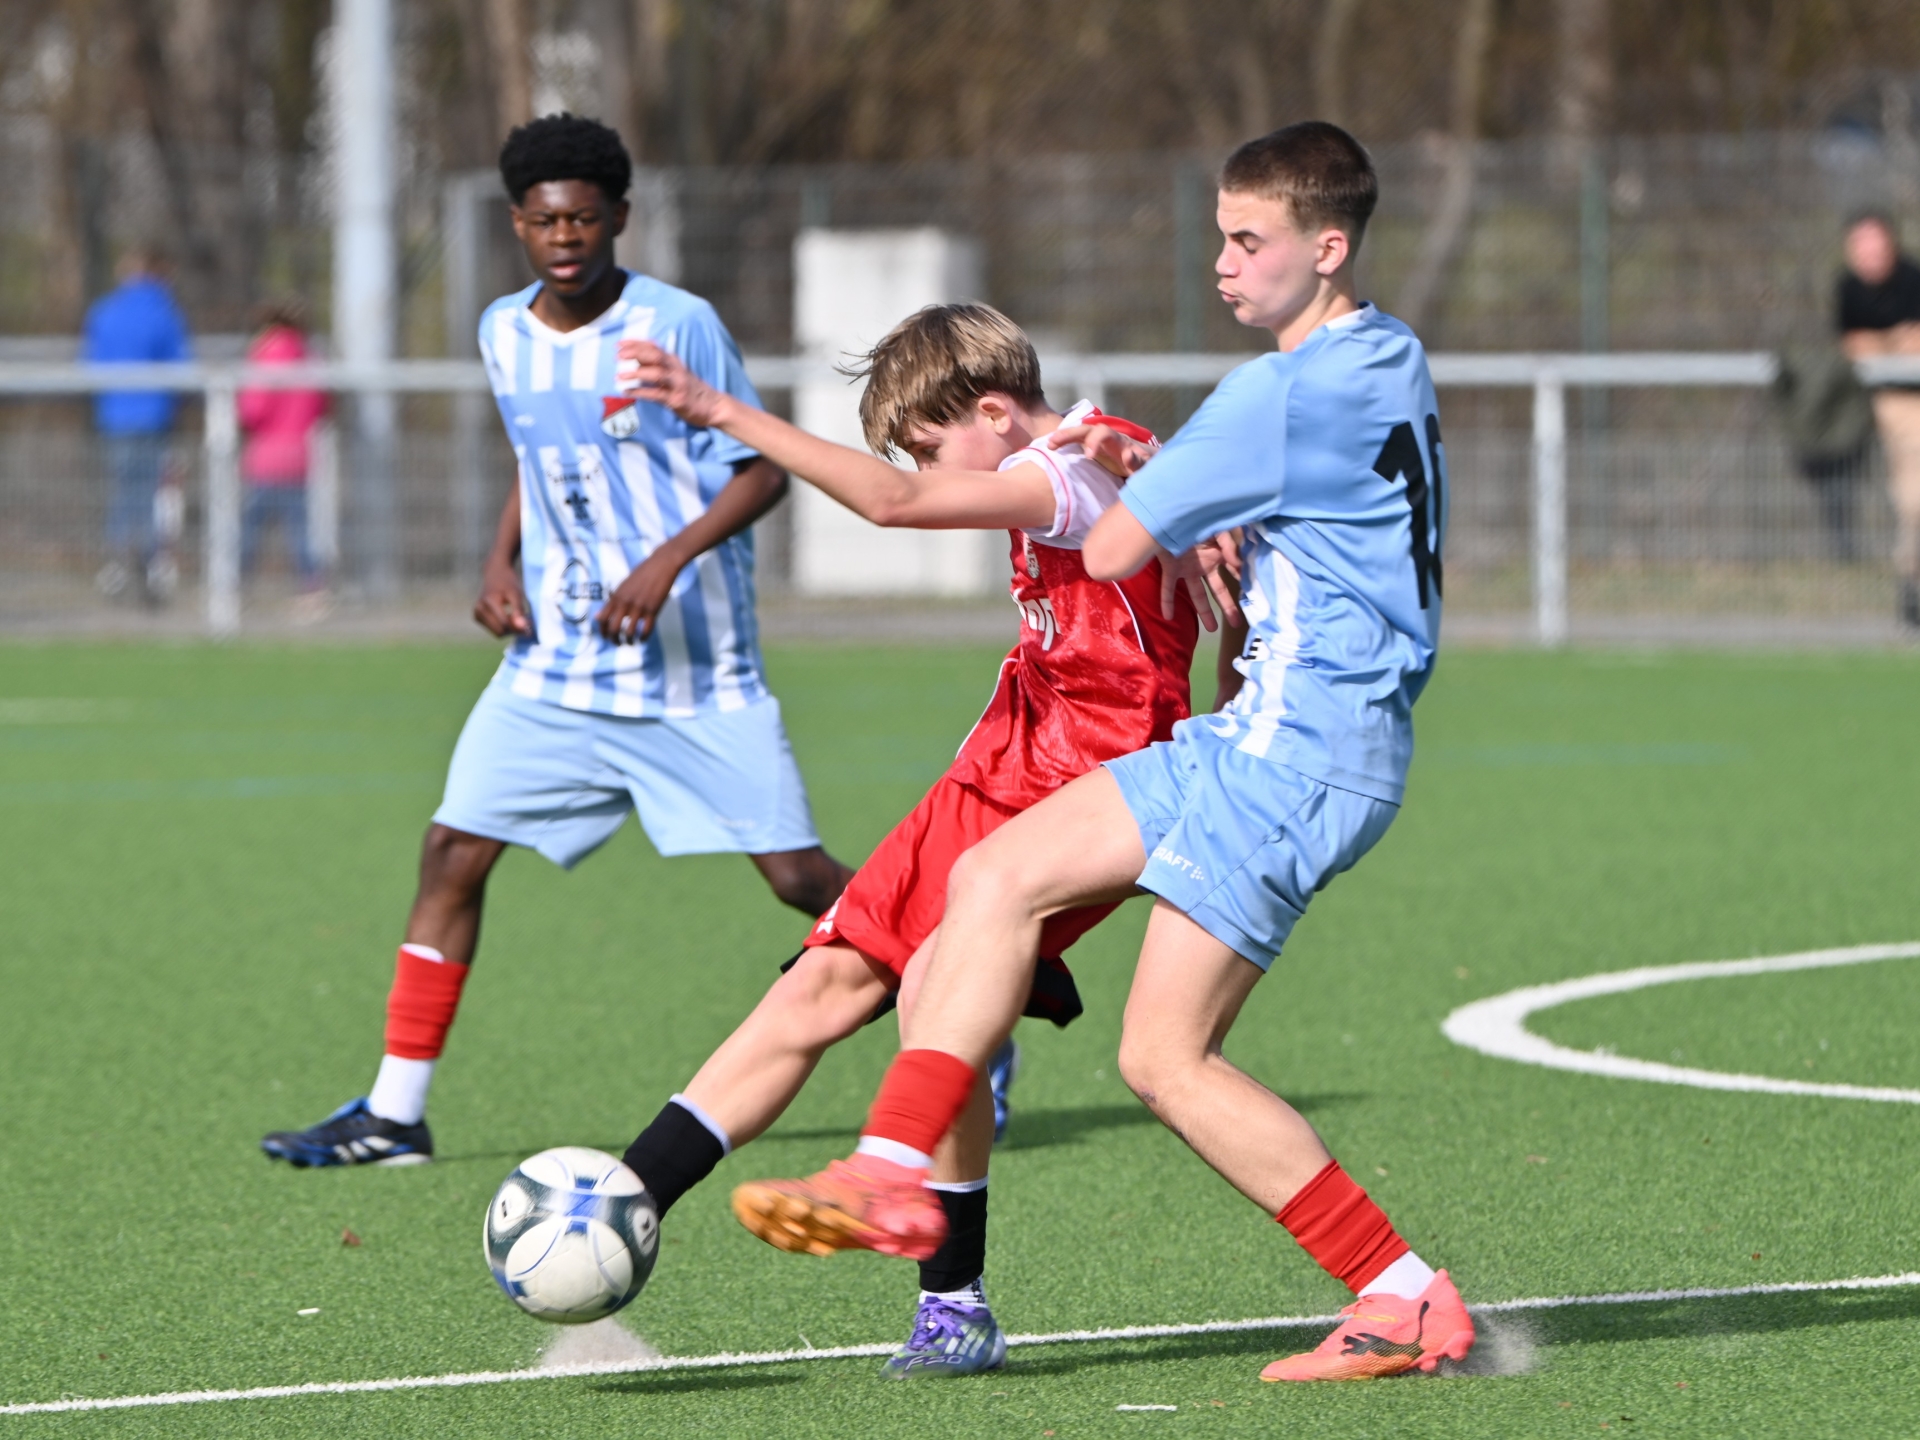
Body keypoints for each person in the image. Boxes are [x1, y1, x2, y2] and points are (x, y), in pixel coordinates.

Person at [729, 122, 1477, 1384]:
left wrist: (1136, 470)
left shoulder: (1269, 396)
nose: (1224, 263)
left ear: (1327, 247)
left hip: (1296, 757)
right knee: (993, 881)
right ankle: (896, 1168)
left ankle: (1399, 1292)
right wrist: (1163, 469)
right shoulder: (1388, 353)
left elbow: (1120, 548)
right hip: (1270, 738)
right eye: (1222, 237)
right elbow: (1254, 500)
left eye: (1250, 240)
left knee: (1164, 1058)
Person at [615, 302, 1216, 1377]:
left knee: (938, 996)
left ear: (993, 411)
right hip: (1001, 764)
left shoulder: (1063, 475)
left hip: (1091, 788)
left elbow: (894, 506)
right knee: (824, 981)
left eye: (932, 446)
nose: (925, 471)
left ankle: (954, 1301)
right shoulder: (1096, 453)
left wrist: (720, 409)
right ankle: (622, 1201)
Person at [261, 114, 851, 1168]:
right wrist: (500, 564)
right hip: (556, 666)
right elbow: (539, 465)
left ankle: (969, 998)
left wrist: (667, 561)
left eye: (583, 218)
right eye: (545, 221)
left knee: (800, 880)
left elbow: (762, 466)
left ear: (619, 217)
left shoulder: (678, 322)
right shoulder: (502, 331)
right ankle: (395, 1114)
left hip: (693, 673)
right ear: (517, 225)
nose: (565, 237)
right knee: (452, 851)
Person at [82, 246, 190, 605]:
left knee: (123, 490)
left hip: (113, 417)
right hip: (156, 416)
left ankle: (117, 563)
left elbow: (91, 362)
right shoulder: (164, 313)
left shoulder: (104, 311)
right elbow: (181, 366)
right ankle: (150, 564)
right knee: (154, 493)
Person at [1837, 211, 1920, 627]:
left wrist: (1884, 346)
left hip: (1910, 405)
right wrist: (1894, 341)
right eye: (1861, 245)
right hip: (1868, 403)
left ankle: (1911, 582)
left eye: (1875, 243)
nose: (1869, 253)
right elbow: (1854, 346)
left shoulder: (1912, 279)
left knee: (1914, 500)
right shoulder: (1848, 289)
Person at [237, 300, 330, 615]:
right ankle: (312, 590)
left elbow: (253, 409)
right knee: (300, 529)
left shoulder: (265, 357)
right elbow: (321, 406)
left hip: (266, 457)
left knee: (250, 527)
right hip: (299, 456)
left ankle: (236, 588)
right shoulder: (310, 357)